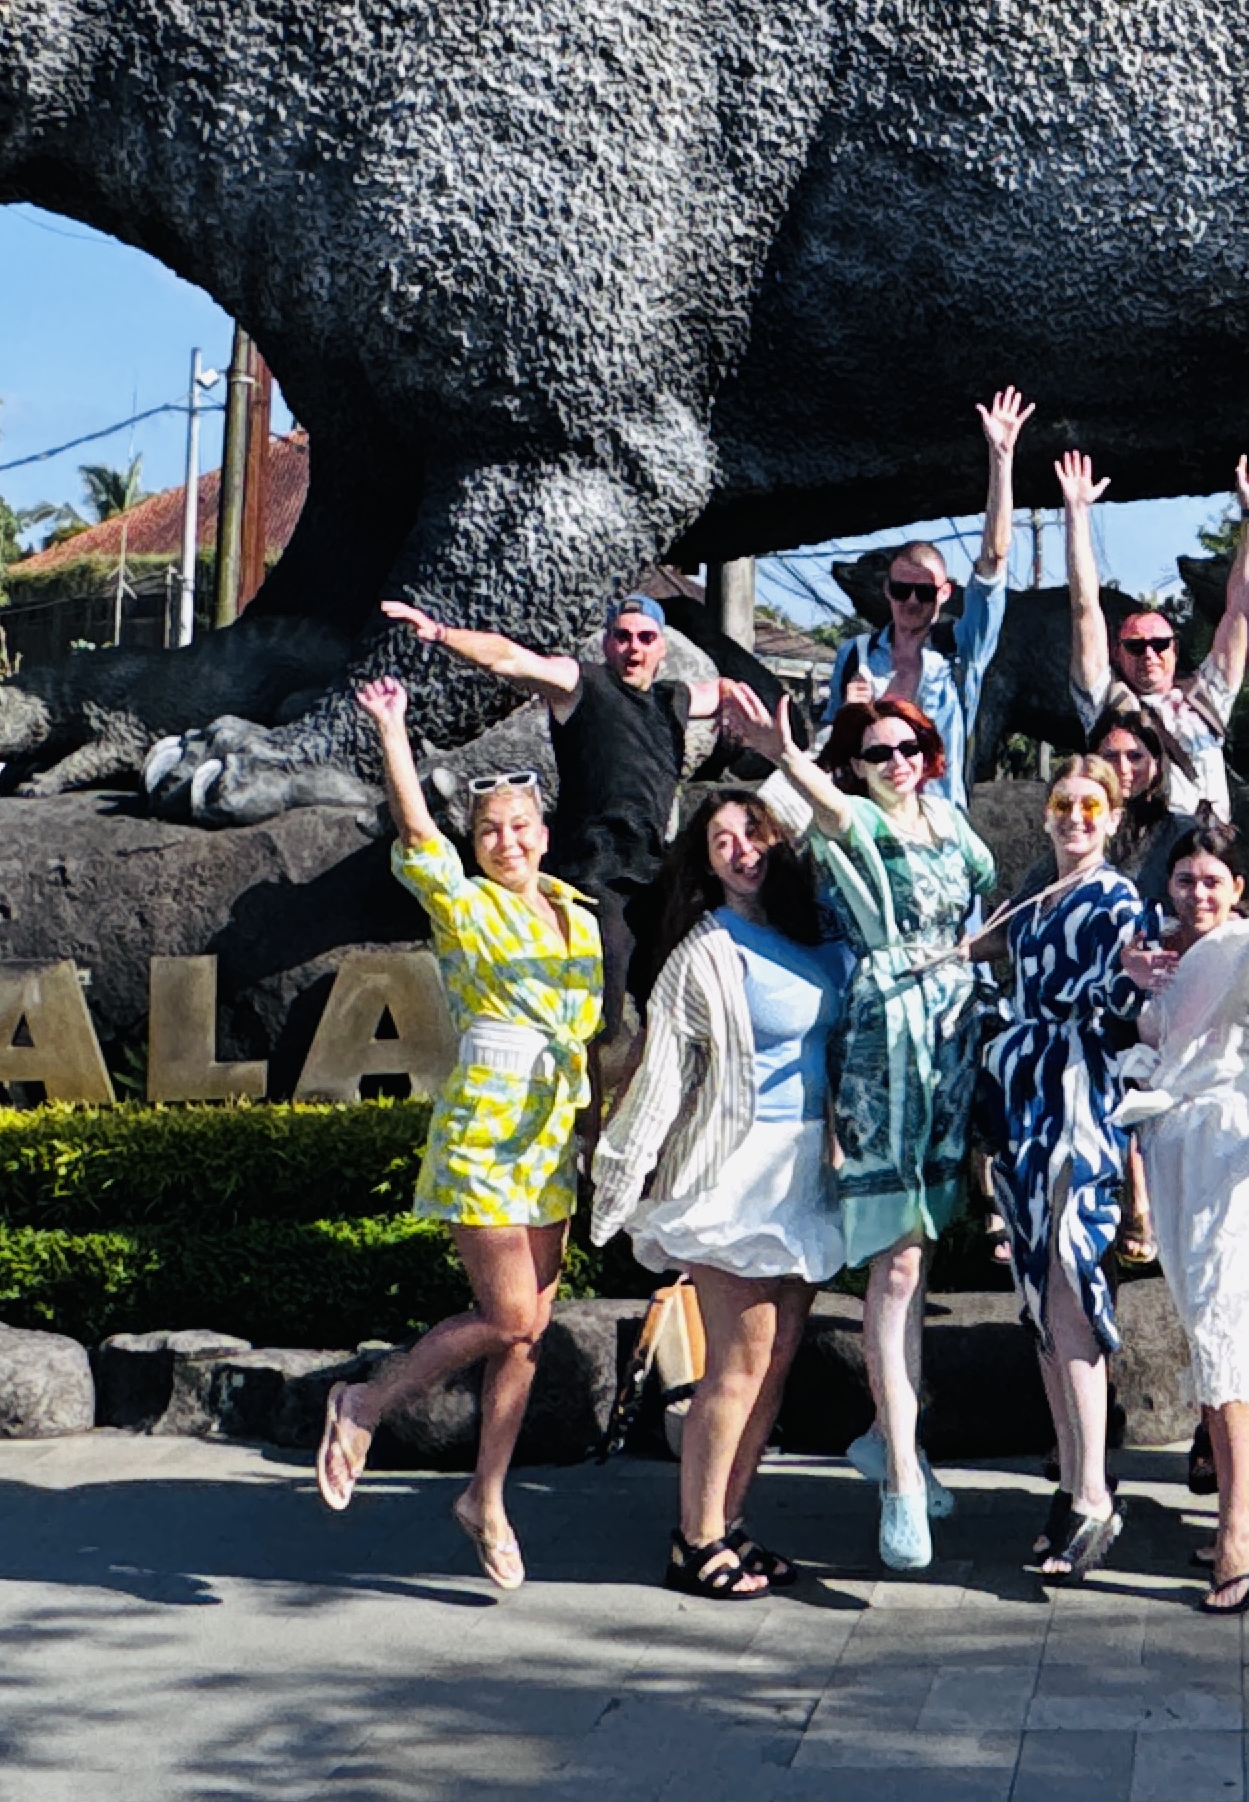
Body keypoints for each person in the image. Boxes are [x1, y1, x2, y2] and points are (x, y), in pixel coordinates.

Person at [311, 677, 604, 1591]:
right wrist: (394, 731)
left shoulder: (581, 919)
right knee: (509, 1313)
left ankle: (487, 1497)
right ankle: (367, 1400)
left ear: (543, 834)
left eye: (519, 826)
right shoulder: (465, 905)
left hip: (553, 1132)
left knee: (524, 1336)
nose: (506, 842)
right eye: (490, 832)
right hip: (486, 1125)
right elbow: (416, 834)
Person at [715, 675, 994, 1571]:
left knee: (917, 1248)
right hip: (885, 1036)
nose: (898, 765)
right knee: (898, 1259)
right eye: (879, 753)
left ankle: (889, 1436)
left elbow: (982, 901)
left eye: (909, 748)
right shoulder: (857, 822)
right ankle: (903, 1480)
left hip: (949, 1032)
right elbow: (833, 817)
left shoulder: (952, 823)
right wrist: (786, 753)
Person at [588, 782, 850, 1602]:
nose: (741, 850)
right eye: (721, 842)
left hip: (807, 1174)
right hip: (732, 1176)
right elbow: (660, 1076)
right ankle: (692, 1539)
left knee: (772, 1369)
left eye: (753, 832)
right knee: (736, 1365)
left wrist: (783, 763)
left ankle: (729, 1526)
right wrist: (619, 1182)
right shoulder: (704, 950)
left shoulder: (822, 935)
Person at [1122, 780, 1249, 1612]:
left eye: (1211, 881)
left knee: (1229, 1323)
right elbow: (1145, 1044)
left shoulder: (1243, 942)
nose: (1198, 894)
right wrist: (1137, 981)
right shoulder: (1157, 953)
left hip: (1239, 1142)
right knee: (1208, 1324)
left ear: (1233, 888)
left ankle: (1236, 1526)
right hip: (1176, 1147)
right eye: (1185, 880)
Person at [974, 762, 1151, 1578]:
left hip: (1078, 1100)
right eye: (1062, 805)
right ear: (1044, 818)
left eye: (1090, 806)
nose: (1075, 817)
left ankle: (1092, 1493)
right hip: (1028, 1098)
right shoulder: (1032, 901)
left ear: (1111, 819)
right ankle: (1073, 1479)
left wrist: (1128, 992)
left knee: (1074, 1281)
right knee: (1043, 1297)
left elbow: (1123, 1009)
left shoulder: (1115, 900)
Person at [379, 587, 722, 1005]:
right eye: (623, 636)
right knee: (608, 989)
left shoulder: (674, 699)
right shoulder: (582, 682)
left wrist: (740, 698)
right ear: (607, 643)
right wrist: (440, 633)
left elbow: (721, 691)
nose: (634, 647)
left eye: (645, 638)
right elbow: (509, 657)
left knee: (675, 980)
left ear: (661, 647)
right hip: (593, 875)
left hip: (650, 870)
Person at [1054, 446, 1249, 877]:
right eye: (1135, 646)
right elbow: (1084, 606)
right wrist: (1077, 514)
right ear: (1118, 653)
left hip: (1205, 859)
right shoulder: (1106, 704)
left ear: (1174, 648)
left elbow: (1239, 608)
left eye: (1159, 644)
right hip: (1135, 858)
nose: (1149, 654)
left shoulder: (1206, 699)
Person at [821, 390, 1031, 809]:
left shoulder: (961, 650)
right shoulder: (854, 656)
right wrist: (850, 715)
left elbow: (993, 560)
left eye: (924, 591)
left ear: (945, 593)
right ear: (887, 591)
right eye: (901, 590)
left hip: (940, 828)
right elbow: (829, 757)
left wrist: (1001, 457)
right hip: (871, 824)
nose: (911, 601)